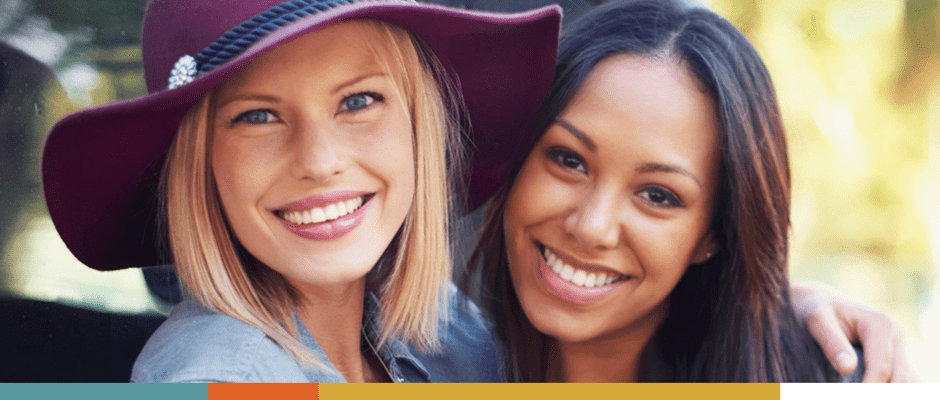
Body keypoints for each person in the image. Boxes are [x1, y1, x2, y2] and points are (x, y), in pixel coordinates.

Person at [41, 0, 560, 382]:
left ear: (421, 127)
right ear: (198, 170)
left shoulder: (452, 331)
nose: (319, 162)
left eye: (358, 101)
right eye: (257, 116)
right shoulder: (215, 379)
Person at [464, 0, 917, 382]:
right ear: (519, 157)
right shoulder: (427, 362)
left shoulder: (834, 378)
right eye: (569, 160)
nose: (592, 227)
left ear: (714, 233)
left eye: (658, 195)